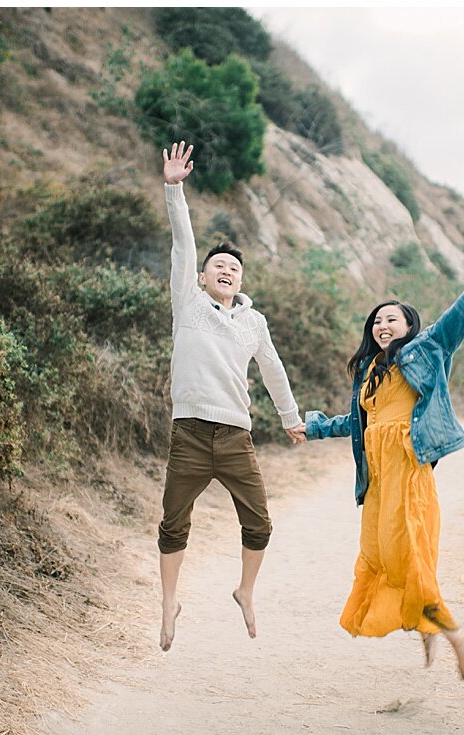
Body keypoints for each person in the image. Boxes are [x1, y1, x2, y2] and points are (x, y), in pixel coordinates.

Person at [304, 239, 464, 679]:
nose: (383, 325)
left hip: (409, 477)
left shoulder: (426, 350)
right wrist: (313, 427)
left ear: (408, 325)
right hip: (379, 484)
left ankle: (455, 633)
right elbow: (359, 423)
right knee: (387, 560)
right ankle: (427, 629)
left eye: (391, 319)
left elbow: (458, 318)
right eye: (377, 320)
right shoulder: (369, 372)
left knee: (414, 559)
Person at [157, 141, 307, 652]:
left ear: (241, 280)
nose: (225, 269)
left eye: (234, 268)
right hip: (191, 434)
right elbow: (182, 244)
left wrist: (289, 418)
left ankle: (245, 591)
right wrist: (174, 190)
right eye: (216, 265)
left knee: (260, 523)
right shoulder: (188, 303)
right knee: (173, 523)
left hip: (237, 435)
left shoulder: (254, 321)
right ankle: (169, 603)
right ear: (202, 277)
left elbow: (273, 369)